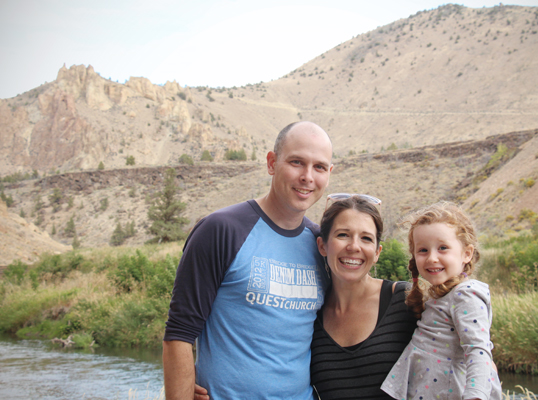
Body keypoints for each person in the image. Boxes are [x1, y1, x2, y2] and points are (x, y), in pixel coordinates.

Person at [163, 121, 334, 400]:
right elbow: (179, 335)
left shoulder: (322, 246)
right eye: (296, 162)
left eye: (319, 167)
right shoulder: (221, 230)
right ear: (271, 163)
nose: (307, 176)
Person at [381, 202, 502, 400]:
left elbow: (477, 350)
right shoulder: (441, 295)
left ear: (467, 253)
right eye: (423, 250)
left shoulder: (466, 294)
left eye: (443, 248)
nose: (432, 258)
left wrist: (476, 396)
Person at [310, 194, 418, 399]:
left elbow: (466, 356)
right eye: (343, 235)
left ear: (377, 252)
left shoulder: (407, 300)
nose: (354, 246)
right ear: (322, 245)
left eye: (366, 238)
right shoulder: (309, 315)